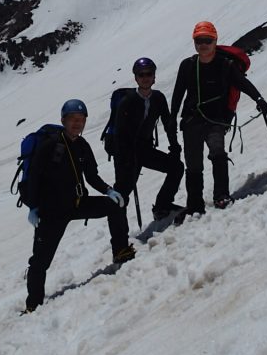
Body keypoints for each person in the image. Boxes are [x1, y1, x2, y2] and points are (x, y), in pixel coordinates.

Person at [22, 98, 134, 313]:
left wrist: (108, 191)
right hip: (52, 212)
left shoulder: (82, 146)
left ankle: (121, 251)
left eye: (81, 119)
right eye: (73, 119)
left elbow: (91, 176)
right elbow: (34, 178)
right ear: (63, 120)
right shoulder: (49, 146)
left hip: (78, 203)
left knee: (115, 206)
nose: (77, 123)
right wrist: (33, 207)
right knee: (40, 262)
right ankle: (33, 305)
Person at [170, 21, 267, 215]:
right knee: (194, 164)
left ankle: (221, 195)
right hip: (192, 120)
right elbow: (178, 93)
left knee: (217, 154)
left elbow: (242, 83)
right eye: (199, 40)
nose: (203, 44)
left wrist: (259, 99)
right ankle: (195, 204)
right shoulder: (187, 65)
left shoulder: (226, 65)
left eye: (207, 40)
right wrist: (172, 117)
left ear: (215, 41)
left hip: (215, 120)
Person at [112, 57, 185, 221]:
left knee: (176, 167)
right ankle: (119, 231)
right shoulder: (127, 101)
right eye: (141, 74)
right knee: (123, 191)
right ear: (136, 78)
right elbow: (119, 134)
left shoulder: (158, 98)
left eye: (148, 74)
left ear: (154, 77)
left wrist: (174, 146)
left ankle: (162, 206)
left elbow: (168, 124)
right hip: (127, 153)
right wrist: (125, 158)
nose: (145, 77)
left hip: (144, 150)